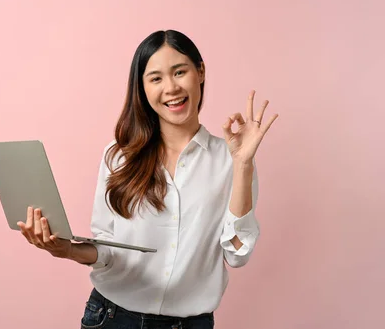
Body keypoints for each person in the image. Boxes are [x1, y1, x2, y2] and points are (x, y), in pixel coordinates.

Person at [17, 29, 278, 329]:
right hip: (112, 317)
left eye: (180, 72)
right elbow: (107, 250)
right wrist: (67, 250)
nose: (171, 88)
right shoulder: (118, 157)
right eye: (155, 78)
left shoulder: (230, 159)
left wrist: (243, 164)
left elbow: (237, 255)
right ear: (142, 88)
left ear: (200, 71)